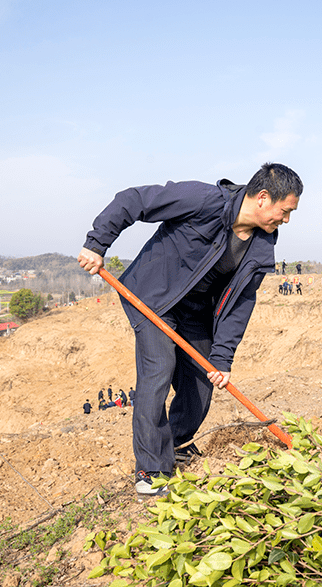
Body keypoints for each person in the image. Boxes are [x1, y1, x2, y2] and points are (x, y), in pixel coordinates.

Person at [78, 162, 303, 496]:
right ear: (263, 198)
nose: (285, 220)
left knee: (201, 376)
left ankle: (180, 444)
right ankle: (150, 470)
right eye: (285, 211)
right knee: (158, 371)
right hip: (154, 297)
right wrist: (98, 243)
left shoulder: (261, 245)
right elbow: (135, 200)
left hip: (195, 310)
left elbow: (241, 303)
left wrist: (223, 358)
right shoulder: (204, 200)